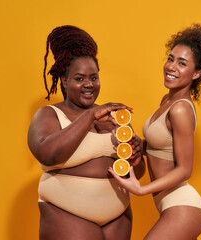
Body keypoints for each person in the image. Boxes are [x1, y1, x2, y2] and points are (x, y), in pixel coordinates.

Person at [109, 24, 201, 240]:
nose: (171, 67)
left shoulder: (180, 109)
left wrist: (141, 189)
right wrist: (140, 144)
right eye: (170, 58)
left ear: (197, 73)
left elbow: (185, 170)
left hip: (182, 206)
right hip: (169, 206)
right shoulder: (167, 100)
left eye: (182, 63)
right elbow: (165, 148)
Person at [28, 25, 145, 240]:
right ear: (64, 80)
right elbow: (47, 153)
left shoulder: (113, 117)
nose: (89, 84)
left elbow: (135, 175)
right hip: (67, 214)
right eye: (79, 78)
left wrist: (135, 157)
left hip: (118, 218)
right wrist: (90, 116)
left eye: (94, 77)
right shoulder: (49, 114)